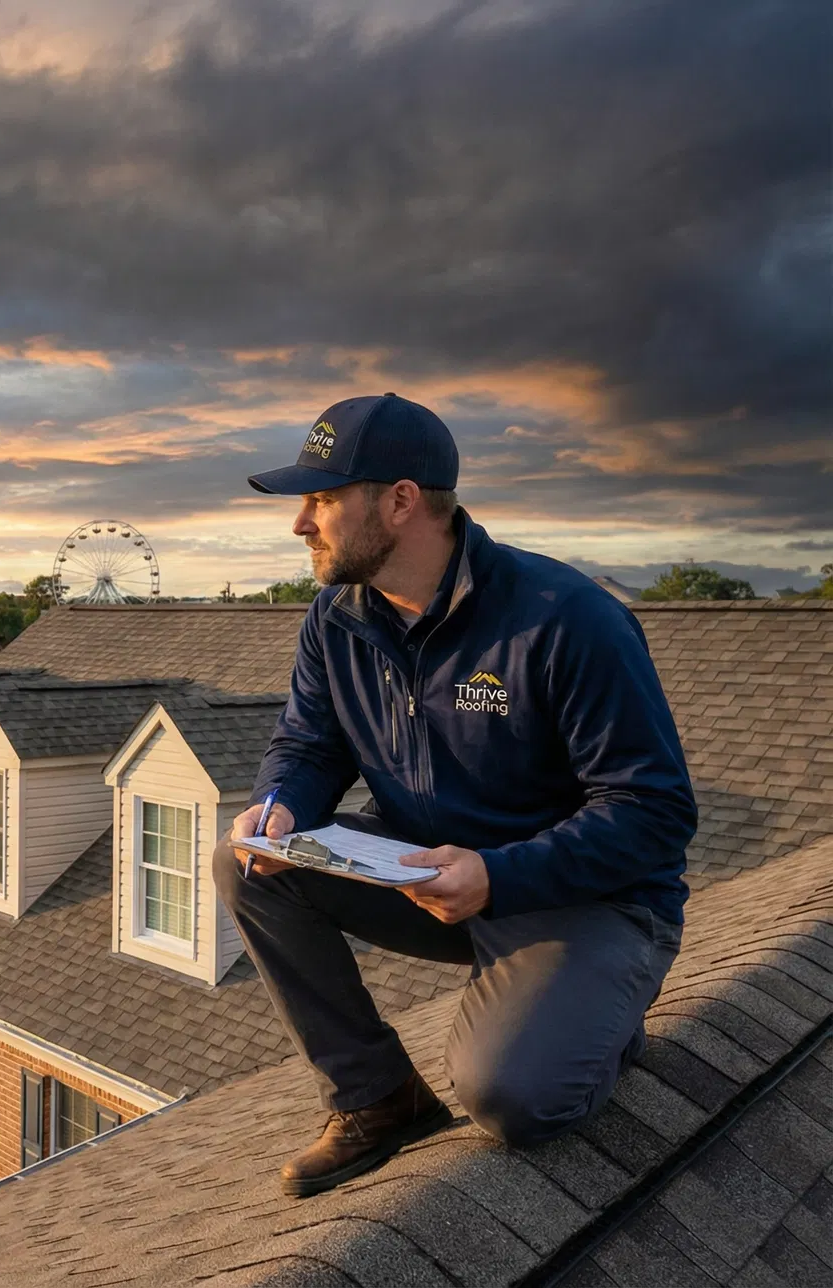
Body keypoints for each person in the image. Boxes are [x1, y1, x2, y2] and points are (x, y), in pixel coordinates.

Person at [217, 393, 695, 1198]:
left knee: (514, 1099)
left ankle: (590, 1014)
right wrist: (280, 805)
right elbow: (309, 746)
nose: (300, 524)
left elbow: (655, 812)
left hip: (584, 900)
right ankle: (378, 1098)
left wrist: (498, 877)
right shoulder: (336, 618)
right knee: (249, 865)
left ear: (401, 501)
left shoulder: (566, 619)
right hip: (430, 879)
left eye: (322, 500)